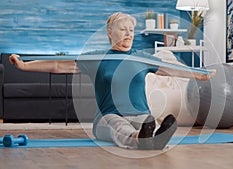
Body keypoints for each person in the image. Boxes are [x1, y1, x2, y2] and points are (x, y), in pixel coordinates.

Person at [9, 12, 216, 150]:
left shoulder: (141, 58)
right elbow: (58, 65)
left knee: (148, 123)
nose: (129, 34)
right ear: (110, 33)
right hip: (108, 117)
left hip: (141, 115)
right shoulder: (98, 58)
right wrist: (24, 66)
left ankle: (151, 138)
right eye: (123, 29)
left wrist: (198, 74)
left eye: (131, 30)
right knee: (117, 125)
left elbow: (172, 70)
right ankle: (141, 140)